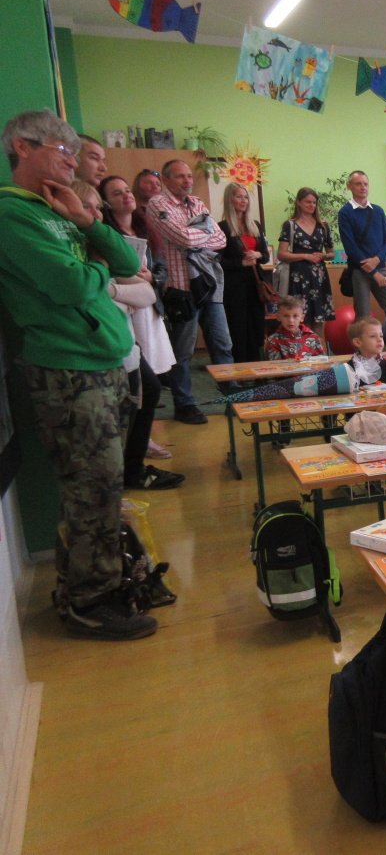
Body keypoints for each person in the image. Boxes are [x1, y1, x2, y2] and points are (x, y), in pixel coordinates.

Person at [0, 109, 156, 639]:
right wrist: (99, 273)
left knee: (103, 487)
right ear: (23, 147)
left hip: (102, 362)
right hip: (68, 370)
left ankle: (87, 586)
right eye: (63, 151)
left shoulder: (60, 210)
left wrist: (89, 225)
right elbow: (70, 286)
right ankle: (92, 603)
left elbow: (126, 263)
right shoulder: (11, 213)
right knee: (93, 490)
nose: (72, 163)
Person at [92, 178, 182, 491]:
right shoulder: (102, 238)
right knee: (140, 390)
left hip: (140, 314)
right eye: (116, 193)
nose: (126, 196)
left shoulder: (143, 229)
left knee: (148, 385)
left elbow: (151, 284)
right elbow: (106, 282)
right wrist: (123, 287)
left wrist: (146, 280)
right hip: (116, 324)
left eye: (127, 190)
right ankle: (131, 465)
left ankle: (135, 461)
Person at [146, 158, 231, 425]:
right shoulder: (157, 203)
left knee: (222, 344)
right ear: (166, 180)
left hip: (209, 284)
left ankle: (232, 398)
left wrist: (194, 236)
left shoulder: (197, 203)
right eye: (180, 176)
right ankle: (185, 404)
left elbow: (221, 239)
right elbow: (181, 237)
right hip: (181, 288)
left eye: (189, 176)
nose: (187, 181)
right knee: (183, 351)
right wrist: (200, 233)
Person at [339, 170, 386, 348]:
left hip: (381, 269)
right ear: (349, 186)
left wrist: (376, 259)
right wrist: (373, 271)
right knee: (363, 319)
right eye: (358, 184)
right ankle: (365, 354)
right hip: (360, 272)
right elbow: (350, 248)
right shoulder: (345, 213)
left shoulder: (378, 211)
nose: (363, 187)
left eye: (365, 184)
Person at [218, 184, 272, 364]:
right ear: (230, 199)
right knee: (238, 327)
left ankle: (258, 367)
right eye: (239, 197)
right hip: (234, 286)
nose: (243, 201)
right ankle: (240, 368)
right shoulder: (222, 227)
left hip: (255, 283)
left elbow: (265, 256)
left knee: (257, 326)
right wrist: (240, 263)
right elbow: (217, 261)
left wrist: (258, 255)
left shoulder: (255, 225)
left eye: (246, 197)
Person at [276, 187, 336, 343]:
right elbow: (281, 254)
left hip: (319, 278)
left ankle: (318, 352)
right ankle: (300, 352)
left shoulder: (323, 226)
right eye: (308, 202)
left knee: (319, 320)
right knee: (299, 319)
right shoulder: (290, 225)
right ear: (299, 203)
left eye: (314, 203)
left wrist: (323, 255)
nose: (312, 205)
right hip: (298, 277)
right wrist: (304, 256)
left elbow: (332, 253)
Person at [264, 296, 326, 360]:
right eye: (286, 316)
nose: (291, 320)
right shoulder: (273, 341)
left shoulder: (312, 337)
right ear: (278, 317)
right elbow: (275, 364)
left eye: (295, 316)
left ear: (302, 318)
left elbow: (322, 360)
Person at [348, 315, 386, 384]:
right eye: (372, 336)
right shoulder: (350, 368)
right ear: (358, 342)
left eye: (381, 336)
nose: (379, 339)